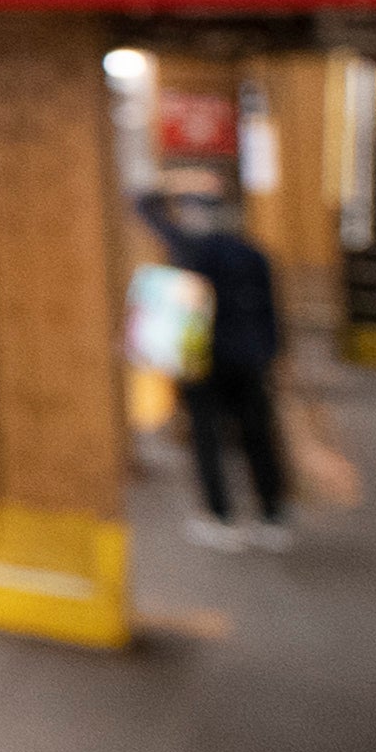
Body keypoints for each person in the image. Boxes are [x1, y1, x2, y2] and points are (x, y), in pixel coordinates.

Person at [141, 170, 293, 548]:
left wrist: (174, 182)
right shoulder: (254, 253)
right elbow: (272, 313)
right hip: (250, 359)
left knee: (206, 437)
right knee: (256, 435)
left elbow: (142, 204)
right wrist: (272, 354)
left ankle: (220, 516)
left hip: (202, 361)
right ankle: (272, 515)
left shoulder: (188, 251)